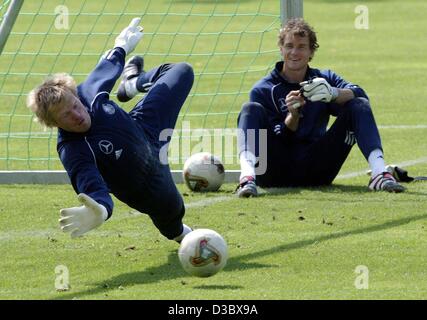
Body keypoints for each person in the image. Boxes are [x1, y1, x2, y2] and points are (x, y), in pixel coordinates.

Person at [26, 18, 194, 242]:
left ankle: (132, 83)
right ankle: (183, 235)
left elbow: (107, 66)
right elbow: (91, 184)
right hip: (144, 182)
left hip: (146, 127)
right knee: (173, 218)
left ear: (76, 96)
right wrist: (100, 210)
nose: (77, 114)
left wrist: (121, 45)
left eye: (75, 106)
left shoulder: (88, 93)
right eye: (66, 115)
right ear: (54, 124)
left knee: (180, 72)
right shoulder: (73, 149)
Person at [236, 18, 405, 197]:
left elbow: (361, 96)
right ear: (281, 49)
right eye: (289, 45)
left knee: (359, 104)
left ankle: (379, 173)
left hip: (318, 169)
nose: (294, 52)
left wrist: (333, 93)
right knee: (250, 109)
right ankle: (247, 178)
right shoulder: (263, 89)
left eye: (301, 46)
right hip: (273, 171)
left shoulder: (324, 79)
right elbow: (283, 138)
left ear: (311, 52)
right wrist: (293, 115)